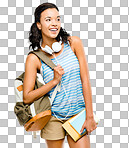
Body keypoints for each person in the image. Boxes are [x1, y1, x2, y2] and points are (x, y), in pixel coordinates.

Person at [23, 2, 97, 148]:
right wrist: (54, 81)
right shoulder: (34, 58)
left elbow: (85, 80)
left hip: (78, 114)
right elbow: (27, 97)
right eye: (48, 19)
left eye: (58, 19)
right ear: (39, 24)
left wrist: (89, 116)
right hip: (53, 118)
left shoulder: (73, 43)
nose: (54, 24)